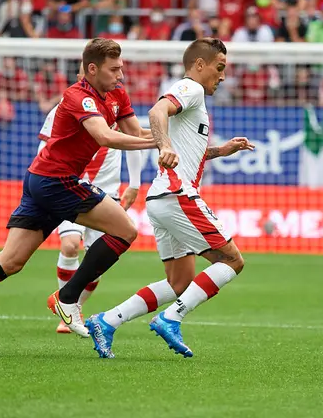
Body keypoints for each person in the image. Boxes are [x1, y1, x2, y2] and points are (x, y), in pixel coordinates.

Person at [0, 38, 157, 351]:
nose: (120, 74)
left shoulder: (117, 94)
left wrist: (168, 137)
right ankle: (67, 298)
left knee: (10, 261)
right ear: (93, 69)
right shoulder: (77, 95)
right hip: (55, 181)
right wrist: (160, 143)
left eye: (121, 68)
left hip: (42, 180)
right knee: (125, 230)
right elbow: (105, 136)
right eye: (114, 69)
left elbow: (135, 132)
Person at [85, 38, 254, 359]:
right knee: (232, 260)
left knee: (180, 283)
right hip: (177, 193)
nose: (222, 76)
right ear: (200, 65)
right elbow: (157, 110)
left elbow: (189, 149)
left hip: (161, 198)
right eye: (219, 68)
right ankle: (171, 318)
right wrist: (163, 146)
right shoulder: (190, 88)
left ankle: (105, 321)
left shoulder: (194, 100)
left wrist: (221, 150)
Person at [36, 63, 145, 334]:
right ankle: (66, 308)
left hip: (106, 191)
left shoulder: (114, 106)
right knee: (71, 244)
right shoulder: (63, 109)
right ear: (80, 77)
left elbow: (133, 139)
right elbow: (45, 149)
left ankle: (74, 306)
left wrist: (134, 183)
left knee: (97, 264)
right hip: (69, 187)